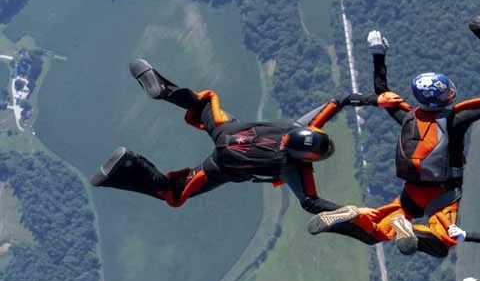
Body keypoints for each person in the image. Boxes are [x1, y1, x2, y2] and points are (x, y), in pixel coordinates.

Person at [309, 32, 480, 256]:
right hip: (443, 193)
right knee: (442, 244)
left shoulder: (408, 117)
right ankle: (406, 228)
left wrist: (378, 53)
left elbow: (383, 94)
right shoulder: (455, 121)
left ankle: (356, 215)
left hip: (411, 192)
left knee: (375, 233)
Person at [92, 58, 351, 213]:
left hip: (227, 130)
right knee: (175, 194)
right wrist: (349, 212)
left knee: (202, 104)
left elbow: (336, 103)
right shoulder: (293, 169)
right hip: (221, 165)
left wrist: (365, 98)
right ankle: (129, 165)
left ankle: (165, 91)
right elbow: (310, 202)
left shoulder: (297, 126)